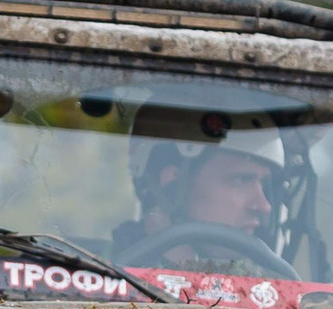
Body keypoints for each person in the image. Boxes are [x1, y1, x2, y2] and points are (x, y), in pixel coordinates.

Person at [109, 110, 291, 272]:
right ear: (172, 183)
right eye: (240, 180)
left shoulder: (263, 295)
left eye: (264, 185)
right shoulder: (93, 277)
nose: (263, 206)